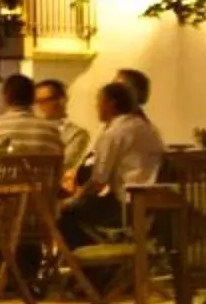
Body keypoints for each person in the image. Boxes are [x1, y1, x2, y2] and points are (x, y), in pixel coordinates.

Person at [61, 80, 166, 244]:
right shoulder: (146, 127)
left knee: (63, 216)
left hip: (126, 205)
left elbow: (98, 180)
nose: (97, 107)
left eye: (99, 102)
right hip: (154, 204)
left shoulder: (114, 133)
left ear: (111, 104)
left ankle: (95, 265)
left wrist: (72, 201)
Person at [0, 74, 68, 164]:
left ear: (5, 98)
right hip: (45, 186)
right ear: (33, 99)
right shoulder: (52, 131)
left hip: (2, 186)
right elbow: (61, 165)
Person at [33, 78, 92, 174]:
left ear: (61, 101)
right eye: (37, 101)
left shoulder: (76, 134)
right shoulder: (32, 128)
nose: (40, 106)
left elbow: (65, 164)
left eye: (45, 101)